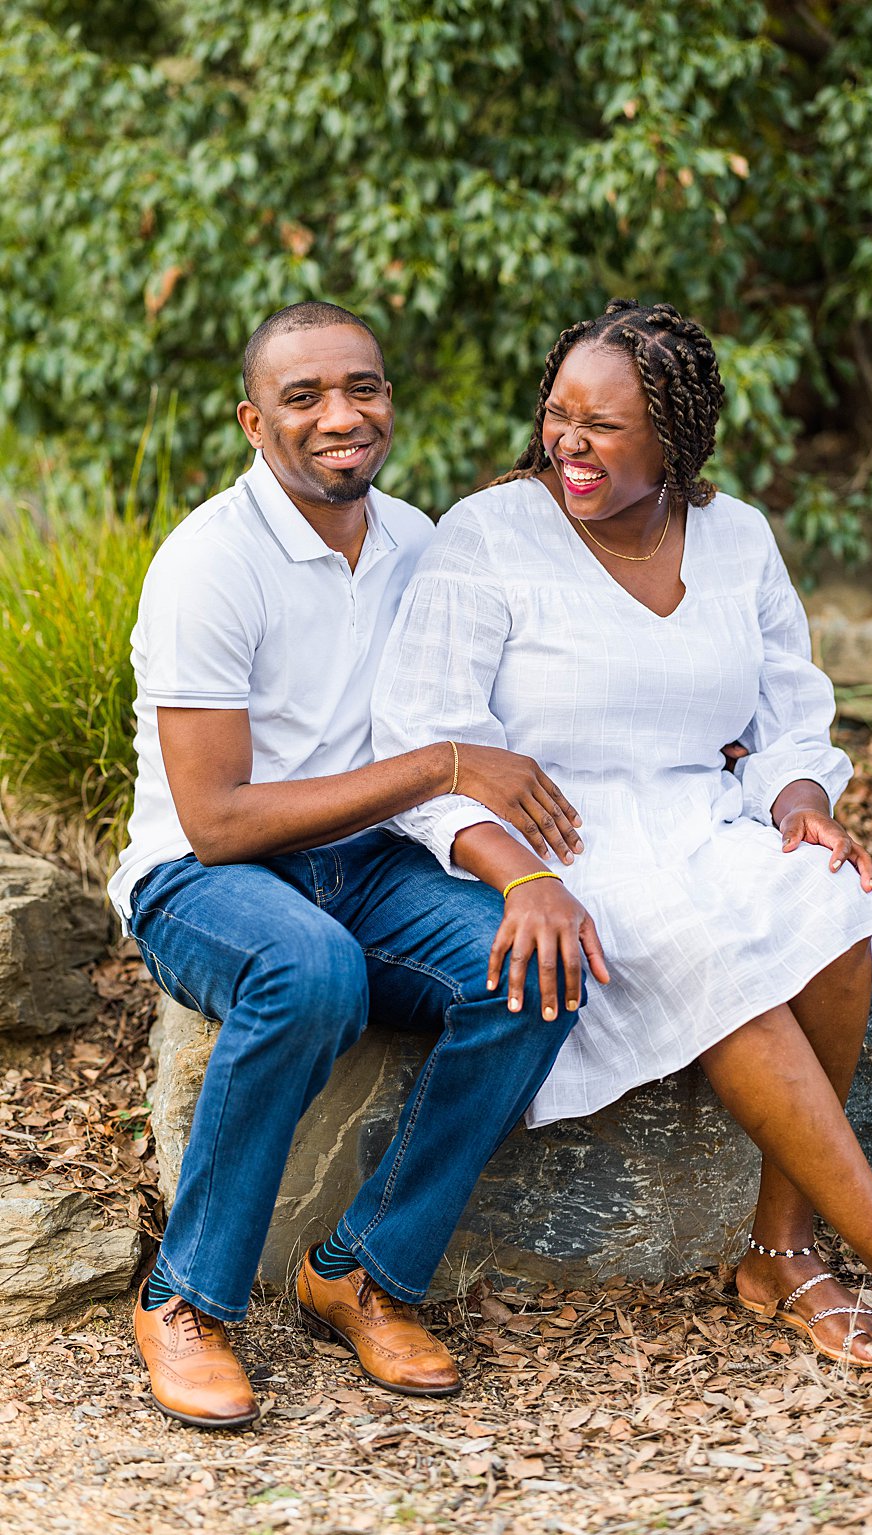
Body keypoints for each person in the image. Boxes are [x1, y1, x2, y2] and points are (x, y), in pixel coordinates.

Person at [369, 298, 872, 1403]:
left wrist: (801, 802)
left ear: (674, 434)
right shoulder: (487, 535)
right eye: (556, 414)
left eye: (605, 426)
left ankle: (780, 1252)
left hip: (700, 817)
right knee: (719, 963)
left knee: (832, 906)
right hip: (562, 840)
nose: (568, 443)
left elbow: (788, 720)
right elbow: (421, 740)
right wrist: (512, 870)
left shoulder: (737, 539)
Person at [117, 301, 594, 1429]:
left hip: (367, 866)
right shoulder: (208, 564)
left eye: (364, 388)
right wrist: (437, 766)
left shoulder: (418, 541)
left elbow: (526, 677)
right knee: (310, 970)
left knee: (535, 961)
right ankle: (184, 1299)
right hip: (202, 877)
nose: (343, 415)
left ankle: (363, 1267)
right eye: (306, 396)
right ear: (253, 420)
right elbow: (221, 817)